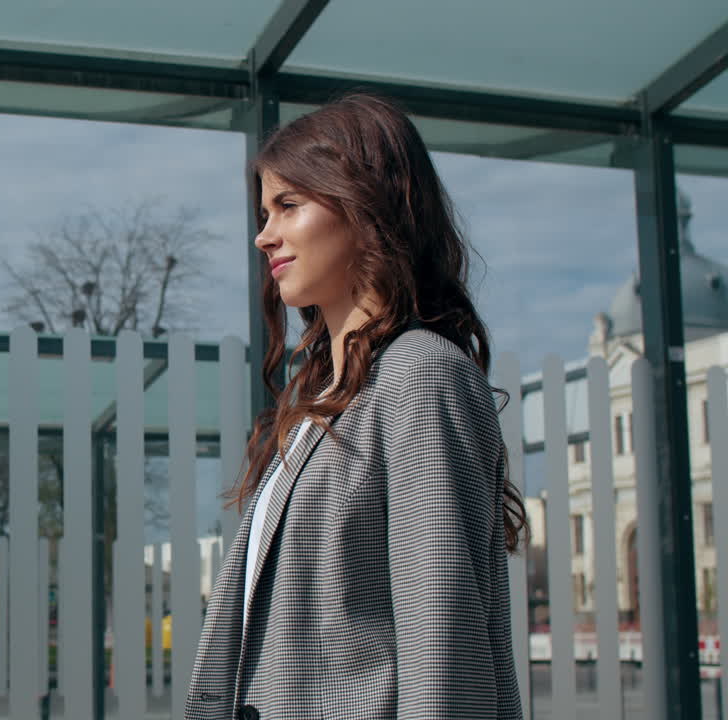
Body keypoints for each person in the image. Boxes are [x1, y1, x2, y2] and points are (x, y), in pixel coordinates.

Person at [185, 92, 525, 720]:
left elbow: (440, 636)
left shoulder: (420, 374)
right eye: (264, 211)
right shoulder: (323, 396)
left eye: (289, 205)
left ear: (366, 204)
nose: (264, 236)